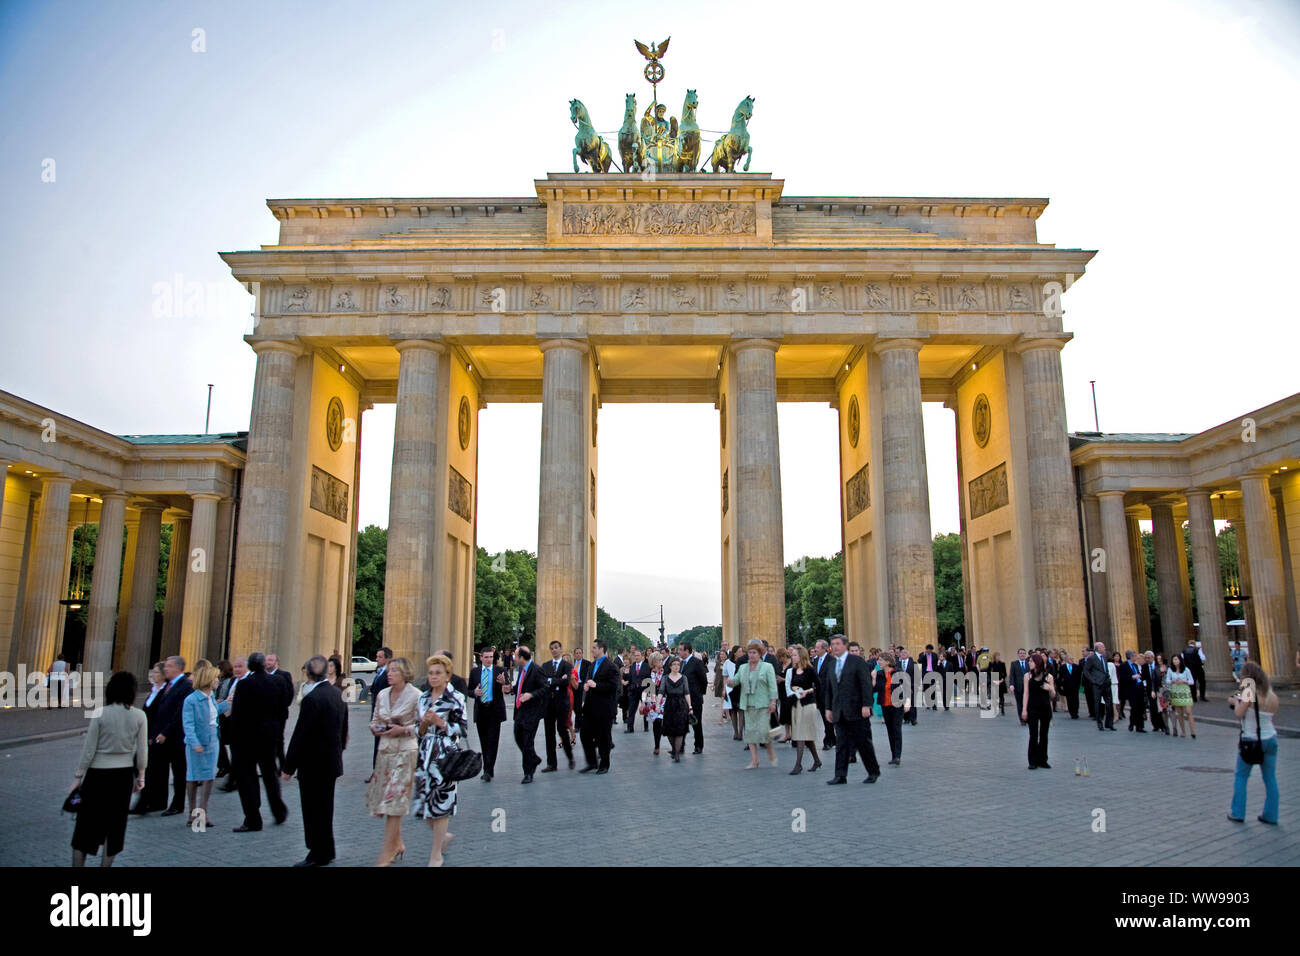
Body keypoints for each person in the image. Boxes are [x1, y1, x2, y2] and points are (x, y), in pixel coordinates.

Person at [70, 671, 147, 867]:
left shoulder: (100, 713)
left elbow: (89, 750)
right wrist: (141, 776)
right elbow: (142, 750)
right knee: (115, 828)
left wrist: (78, 777)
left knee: (85, 827)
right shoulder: (139, 716)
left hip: (97, 775)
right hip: (122, 776)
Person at [281, 655, 348, 866]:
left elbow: (301, 735)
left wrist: (288, 767)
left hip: (313, 765)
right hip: (331, 762)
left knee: (312, 811)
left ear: (309, 674)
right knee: (325, 809)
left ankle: (316, 853)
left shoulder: (312, 699)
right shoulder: (337, 694)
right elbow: (343, 729)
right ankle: (328, 850)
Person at [414, 654, 469, 867]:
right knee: (422, 803)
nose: (433, 677)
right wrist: (424, 726)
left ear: (447, 675)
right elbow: (417, 730)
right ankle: (443, 837)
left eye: (438, 673)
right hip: (424, 753)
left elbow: (462, 729)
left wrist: (441, 723)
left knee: (442, 804)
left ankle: (435, 854)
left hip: (446, 754)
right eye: (430, 673)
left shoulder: (456, 698)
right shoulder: (423, 698)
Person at [366, 656, 420, 864]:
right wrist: (375, 728)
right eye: (389, 670)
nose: (390, 674)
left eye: (394, 670)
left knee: (394, 801)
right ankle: (397, 843)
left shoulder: (416, 695)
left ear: (405, 673)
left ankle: (387, 850)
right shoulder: (382, 694)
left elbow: (421, 727)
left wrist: (403, 729)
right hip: (385, 751)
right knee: (387, 801)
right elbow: (375, 719)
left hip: (406, 751)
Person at [230, 652, 290, 832]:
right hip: (269, 736)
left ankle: (253, 819)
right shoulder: (277, 682)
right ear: (264, 665)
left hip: (247, 738)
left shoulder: (244, 685)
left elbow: (237, 715)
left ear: (250, 667)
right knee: (270, 774)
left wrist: (233, 740)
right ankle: (279, 810)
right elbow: (282, 707)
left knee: (248, 778)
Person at [823, 634, 881, 784]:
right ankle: (840, 775)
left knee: (863, 743)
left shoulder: (857, 662)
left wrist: (866, 705)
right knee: (841, 744)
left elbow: (866, 684)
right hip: (839, 711)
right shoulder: (831, 664)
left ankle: (873, 772)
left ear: (845, 645)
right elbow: (829, 689)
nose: (834, 646)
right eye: (833, 644)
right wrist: (828, 708)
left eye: (837, 644)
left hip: (857, 710)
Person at [1228, 662, 1279, 824]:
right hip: (1270, 738)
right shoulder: (1271, 694)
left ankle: (1238, 813)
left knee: (1241, 776)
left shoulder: (1249, 692)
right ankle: (1271, 815)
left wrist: (1236, 702)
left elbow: (1239, 713)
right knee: (1270, 778)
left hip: (1251, 740)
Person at [726, 639, 779, 769]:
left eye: (754, 652)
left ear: (760, 653)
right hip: (748, 704)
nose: (751, 655)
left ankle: (771, 753)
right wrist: (730, 682)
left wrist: (773, 701)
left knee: (763, 732)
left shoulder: (767, 667)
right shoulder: (744, 667)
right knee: (750, 733)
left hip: (763, 704)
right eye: (749, 652)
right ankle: (755, 761)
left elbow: (772, 686)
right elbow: (736, 680)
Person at [182, 660, 221, 828]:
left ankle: (203, 812)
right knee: (193, 777)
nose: (218, 681)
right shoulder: (191, 700)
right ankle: (193, 813)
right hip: (197, 742)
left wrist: (227, 702)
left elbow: (213, 714)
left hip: (213, 740)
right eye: (215, 678)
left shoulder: (211, 697)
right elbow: (188, 724)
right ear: (208, 680)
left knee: (209, 777)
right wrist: (194, 742)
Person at [152, 655, 192, 816]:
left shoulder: (185, 686)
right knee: (160, 769)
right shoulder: (169, 685)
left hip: (176, 738)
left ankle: (178, 804)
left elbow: (179, 713)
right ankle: (159, 801)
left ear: (178, 668)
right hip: (165, 736)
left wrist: (165, 732)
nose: (165, 669)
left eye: (168, 666)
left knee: (179, 772)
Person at [130, 663, 168, 814]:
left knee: (147, 767)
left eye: (156, 672)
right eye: (153, 672)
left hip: (155, 736)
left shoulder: (165, 691)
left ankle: (146, 802)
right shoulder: (154, 691)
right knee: (151, 768)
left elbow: (161, 715)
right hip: (146, 735)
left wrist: (155, 734)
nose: (153, 675)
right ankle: (153, 801)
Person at [579, 639, 619, 773]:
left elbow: (614, 687)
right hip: (590, 707)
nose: (592, 650)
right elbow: (589, 681)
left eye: (594, 648)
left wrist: (597, 686)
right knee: (584, 734)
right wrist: (586, 687)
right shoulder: (592, 665)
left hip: (604, 708)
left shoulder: (611, 666)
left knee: (603, 737)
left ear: (602, 649)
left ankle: (604, 764)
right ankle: (591, 762)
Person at [468, 646, 507, 781]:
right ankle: (487, 767)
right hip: (481, 710)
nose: (489, 659)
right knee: (484, 741)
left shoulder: (500, 671)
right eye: (486, 657)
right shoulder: (475, 673)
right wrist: (474, 693)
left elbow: (508, 690)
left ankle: (488, 770)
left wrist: (504, 683)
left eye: (491, 657)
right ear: (481, 658)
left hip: (494, 710)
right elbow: (469, 690)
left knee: (493, 741)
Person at [510, 645, 547, 783]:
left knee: (527, 742)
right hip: (520, 710)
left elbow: (545, 688)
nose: (514, 658)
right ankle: (534, 759)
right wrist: (511, 689)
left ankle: (528, 773)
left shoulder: (537, 670)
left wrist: (531, 695)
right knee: (517, 736)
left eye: (515, 655)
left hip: (532, 712)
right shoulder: (522, 669)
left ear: (521, 657)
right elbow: (520, 686)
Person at [787, 644, 823, 773]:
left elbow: (819, 685)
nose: (793, 657)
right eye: (792, 655)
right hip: (797, 704)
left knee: (801, 734)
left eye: (795, 655)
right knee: (805, 736)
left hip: (808, 704)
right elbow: (792, 686)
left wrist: (808, 691)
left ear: (801, 656)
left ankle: (798, 765)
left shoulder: (810, 669)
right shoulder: (793, 670)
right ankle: (817, 760)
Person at [540, 640, 575, 772]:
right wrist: (556, 680)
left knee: (562, 730)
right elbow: (543, 681)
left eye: (556, 648)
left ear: (561, 649)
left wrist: (552, 680)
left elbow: (566, 682)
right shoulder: (545, 665)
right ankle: (551, 763)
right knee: (549, 733)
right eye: (552, 648)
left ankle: (570, 756)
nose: (554, 650)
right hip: (548, 703)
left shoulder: (567, 665)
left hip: (562, 703)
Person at [1023, 651, 1055, 769]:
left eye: (1031, 661)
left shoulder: (1048, 677)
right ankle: (1032, 761)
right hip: (1032, 708)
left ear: (1037, 662)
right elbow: (1026, 694)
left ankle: (1043, 760)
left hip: (1045, 708)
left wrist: (1050, 688)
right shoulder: (1027, 676)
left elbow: (1053, 696)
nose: (1029, 662)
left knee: (1044, 735)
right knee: (1033, 734)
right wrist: (1024, 710)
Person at [874, 652, 908, 766]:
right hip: (885, 705)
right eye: (878, 660)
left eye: (881, 660)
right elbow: (875, 689)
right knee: (890, 730)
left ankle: (897, 756)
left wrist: (908, 702)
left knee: (896, 729)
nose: (879, 662)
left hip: (897, 705)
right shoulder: (879, 674)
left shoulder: (897, 672)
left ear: (888, 662)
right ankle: (893, 755)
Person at [660, 656, 693, 761]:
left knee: (680, 730)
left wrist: (690, 707)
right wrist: (657, 704)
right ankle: (674, 749)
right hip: (669, 705)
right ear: (670, 666)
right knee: (669, 731)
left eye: (678, 664)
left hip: (681, 705)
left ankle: (677, 754)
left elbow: (687, 693)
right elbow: (661, 691)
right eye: (674, 664)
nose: (676, 666)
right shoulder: (665, 678)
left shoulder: (684, 678)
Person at [265, 652, 294, 772]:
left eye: (270, 660)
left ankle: (282, 765)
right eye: (266, 660)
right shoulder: (263, 676)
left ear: (276, 662)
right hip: (265, 715)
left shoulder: (284, 675)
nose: (268, 662)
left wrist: (281, 706)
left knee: (278, 740)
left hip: (279, 714)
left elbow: (289, 693)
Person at [677, 641, 708, 754]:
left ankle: (698, 746)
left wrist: (700, 693)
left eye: (680, 650)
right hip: (682, 699)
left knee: (696, 723)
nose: (678, 652)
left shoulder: (697, 662)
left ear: (687, 651)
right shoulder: (679, 663)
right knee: (682, 723)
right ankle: (680, 746)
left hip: (694, 698)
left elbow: (703, 680)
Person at [367, 648, 391, 780]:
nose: (376, 659)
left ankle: (379, 771)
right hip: (378, 717)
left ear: (387, 658)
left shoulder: (388, 674)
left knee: (382, 743)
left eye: (380, 657)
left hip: (385, 718)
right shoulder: (380, 672)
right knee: (378, 742)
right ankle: (376, 770)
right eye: (377, 656)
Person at [1082, 642, 1115, 731]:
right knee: (1098, 704)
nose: (1104, 648)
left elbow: (1105, 669)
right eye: (1103, 647)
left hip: (1106, 683)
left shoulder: (1104, 657)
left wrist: (1108, 677)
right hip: (1097, 684)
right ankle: (1099, 723)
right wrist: (1093, 681)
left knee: (1109, 704)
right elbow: (1086, 670)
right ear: (1098, 648)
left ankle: (1109, 723)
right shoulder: (1091, 658)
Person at [1163, 654, 1197, 739]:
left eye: (1176, 659)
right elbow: (1167, 680)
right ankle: (1183, 732)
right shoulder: (1170, 670)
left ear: (1180, 660)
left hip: (1185, 691)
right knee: (1180, 713)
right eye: (1174, 660)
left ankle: (1192, 731)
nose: (1175, 661)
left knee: (1189, 712)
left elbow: (1192, 681)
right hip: (1176, 691)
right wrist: (1173, 681)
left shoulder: (1186, 670)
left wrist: (1184, 681)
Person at [623, 648, 649, 733]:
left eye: (638, 655)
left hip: (643, 691)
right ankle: (630, 728)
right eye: (635, 656)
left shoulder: (646, 666)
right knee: (631, 710)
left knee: (645, 709)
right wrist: (630, 688)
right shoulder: (633, 666)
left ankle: (646, 726)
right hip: (633, 691)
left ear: (642, 657)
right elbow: (630, 678)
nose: (636, 657)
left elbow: (648, 679)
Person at [645, 654, 666, 754]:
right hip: (652, 700)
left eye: (662, 660)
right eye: (660, 660)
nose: (662, 662)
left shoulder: (665, 672)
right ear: (654, 662)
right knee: (656, 722)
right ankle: (657, 745)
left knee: (661, 721)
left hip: (664, 699)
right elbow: (645, 688)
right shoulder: (648, 674)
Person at [727, 645, 745, 739]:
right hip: (732, 688)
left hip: (741, 687)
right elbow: (725, 676)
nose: (741, 653)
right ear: (735, 652)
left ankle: (741, 732)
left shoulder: (743, 662)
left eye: (742, 651)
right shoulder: (728, 662)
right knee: (733, 710)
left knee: (741, 710)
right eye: (739, 651)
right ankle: (736, 732)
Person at [775, 647, 793, 741]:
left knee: (791, 712)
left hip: (790, 690)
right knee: (784, 712)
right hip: (782, 690)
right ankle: (787, 734)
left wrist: (783, 680)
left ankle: (794, 734)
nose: (780, 660)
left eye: (781, 657)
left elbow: (794, 678)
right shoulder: (780, 664)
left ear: (784, 655)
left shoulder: (793, 664)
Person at [1008, 649, 1030, 724]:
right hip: (1018, 687)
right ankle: (1022, 719)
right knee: (1020, 703)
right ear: (1018, 654)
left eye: (1024, 653)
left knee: (1028, 703)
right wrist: (1011, 684)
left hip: (1028, 687)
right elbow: (1012, 675)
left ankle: (1028, 717)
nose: (1022, 655)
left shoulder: (1028, 663)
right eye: (1021, 653)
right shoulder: (1014, 663)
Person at [1057, 653, 1080, 719]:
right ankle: (1072, 712)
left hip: (1075, 686)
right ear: (1066, 659)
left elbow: (1078, 677)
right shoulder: (1063, 667)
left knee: (1076, 700)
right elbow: (1060, 677)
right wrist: (1061, 685)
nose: (1072, 660)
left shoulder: (1076, 667)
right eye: (1070, 659)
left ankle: (1075, 712)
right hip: (1067, 687)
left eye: (1072, 659)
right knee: (1069, 700)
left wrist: (1078, 685)